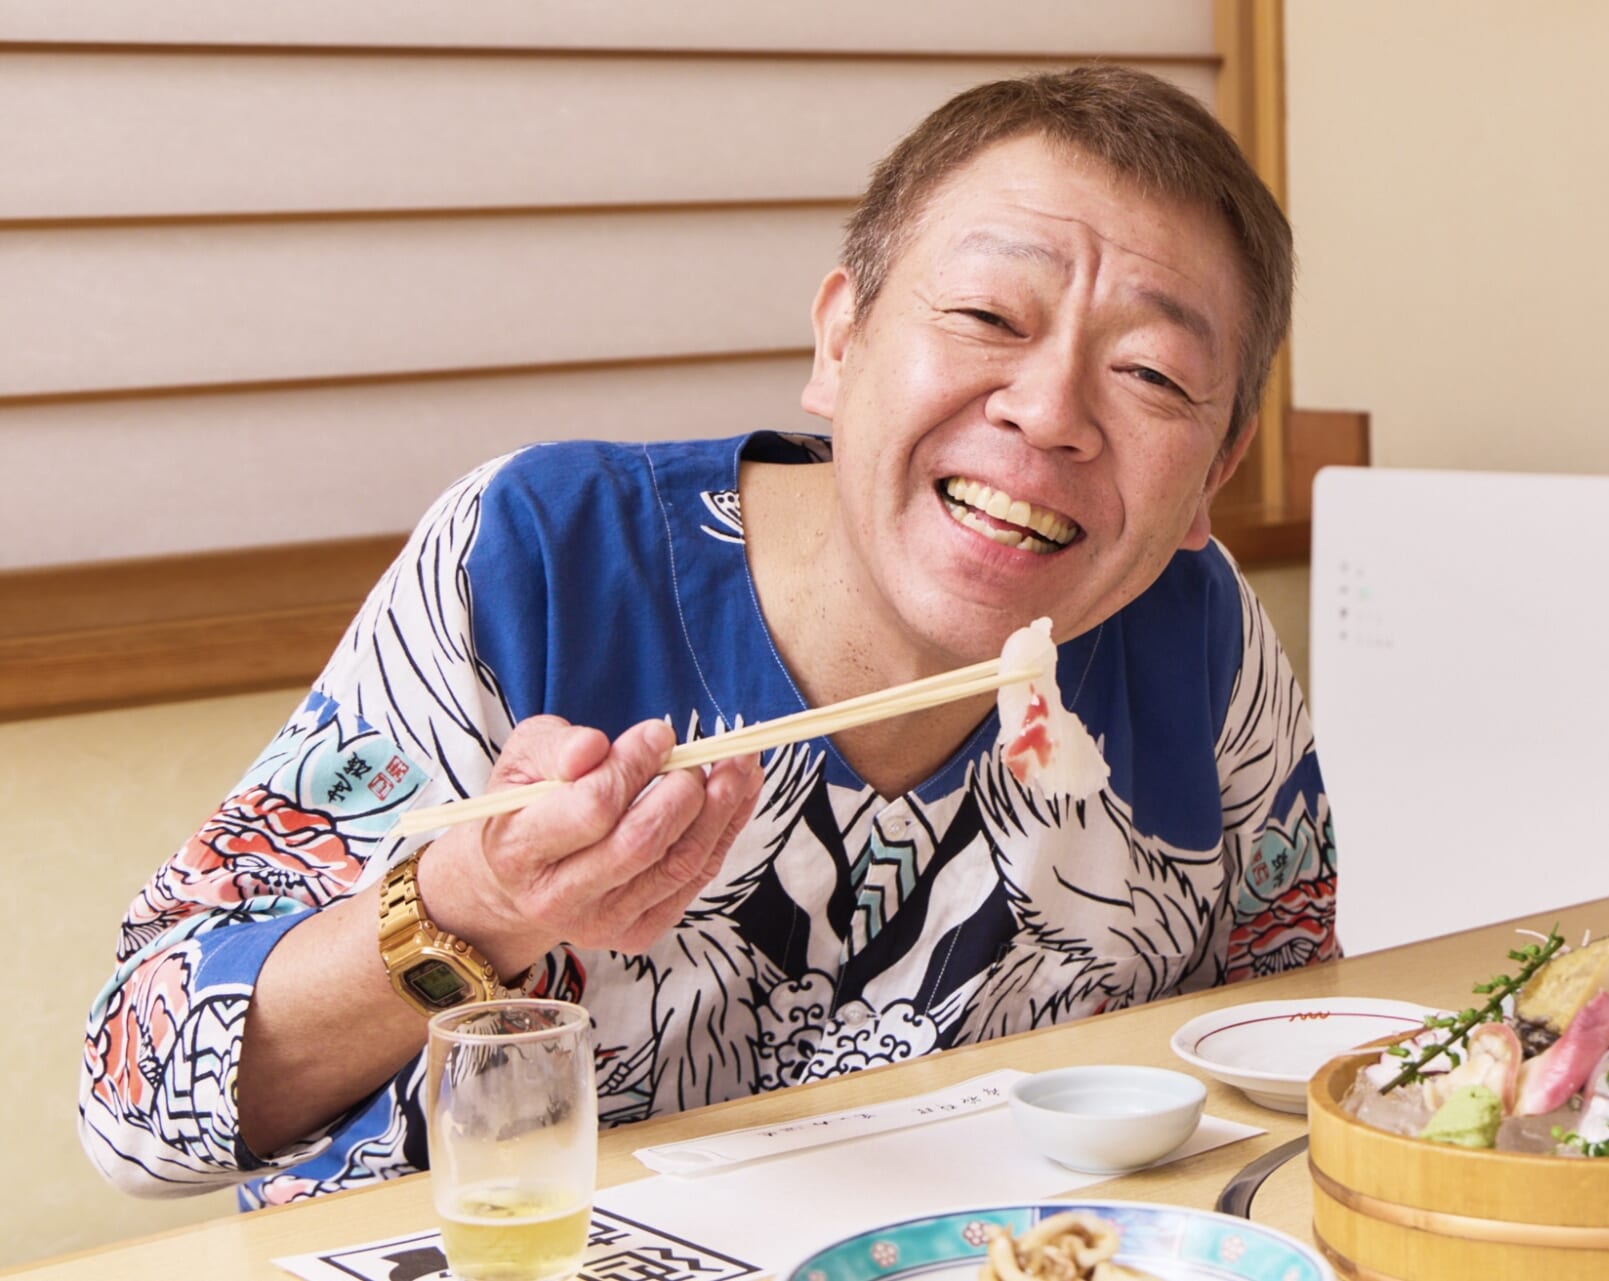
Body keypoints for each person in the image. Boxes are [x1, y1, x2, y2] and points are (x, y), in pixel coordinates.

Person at [79, 65, 1338, 1206]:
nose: (1050, 412)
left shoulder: (1193, 627)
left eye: (1155, 377)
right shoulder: (543, 559)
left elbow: (1295, 1046)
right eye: (989, 320)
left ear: (1215, 471)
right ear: (841, 341)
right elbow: (131, 1113)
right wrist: (475, 904)